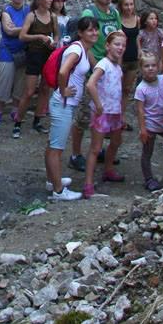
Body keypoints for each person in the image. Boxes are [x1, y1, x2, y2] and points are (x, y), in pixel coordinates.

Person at [45, 16, 98, 201]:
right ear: (81, 33)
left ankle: (53, 180)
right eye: (90, 30)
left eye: (96, 29)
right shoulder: (77, 50)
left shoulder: (83, 49)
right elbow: (62, 71)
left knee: (53, 144)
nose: (95, 33)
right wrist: (63, 90)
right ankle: (59, 191)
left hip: (63, 103)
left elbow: (94, 66)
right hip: (62, 103)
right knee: (56, 148)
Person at [75, 0, 121, 171]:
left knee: (102, 114)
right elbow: (88, 44)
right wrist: (97, 67)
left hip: (110, 67)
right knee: (85, 114)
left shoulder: (114, 13)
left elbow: (118, 36)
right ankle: (76, 154)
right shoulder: (90, 13)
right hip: (96, 68)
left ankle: (97, 148)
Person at [83, 31, 127, 198]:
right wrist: (98, 105)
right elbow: (90, 84)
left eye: (123, 45)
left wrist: (122, 113)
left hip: (114, 111)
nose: (120, 48)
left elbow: (119, 91)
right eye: (117, 44)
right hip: (102, 112)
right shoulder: (103, 64)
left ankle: (108, 169)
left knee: (116, 141)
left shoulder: (117, 67)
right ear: (107, 46)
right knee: (95, 147)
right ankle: (88, 183)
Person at [14, 0, 58, 138]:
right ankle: (18, 122)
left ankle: (37, 121)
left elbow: (57, 36)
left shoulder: (53, 16)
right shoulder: (32, 16)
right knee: (29, 91)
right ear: (39, 0)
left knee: (46, 89)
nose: (50, 0)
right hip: (34, 55)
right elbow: (22, 36)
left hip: (48, 55)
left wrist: (54, 42)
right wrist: (39, 36)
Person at [135, 53, 163, 191]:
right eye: (147, 66)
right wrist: (143, 129)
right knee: (147, 152)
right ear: (141, 68)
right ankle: (148, 179)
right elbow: (140, 110)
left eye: (153, 65)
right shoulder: (141, 88)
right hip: (151, 125)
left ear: (158, 66)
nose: (151, 68)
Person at [0, 0, 28, 126]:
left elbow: (16, 29)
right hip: (7, 50)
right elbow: (9, 31)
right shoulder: (6, 11)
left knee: (20, 82)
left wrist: (19, 28)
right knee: (4, 81)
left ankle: (15, 109)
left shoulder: (28, 10)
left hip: (23, 50)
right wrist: (26, 27)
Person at [118, 0, 140, 130]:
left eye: (131, 4)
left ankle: (121, 117)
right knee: (116, 89)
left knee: (126, 90)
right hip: (120, 58)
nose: (129, 8)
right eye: (126, 5)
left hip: (133, 58)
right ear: (121, 6)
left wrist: (140, 50)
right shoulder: (118, 20)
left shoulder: (137, 19)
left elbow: (137, 37)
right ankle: (112, 118)